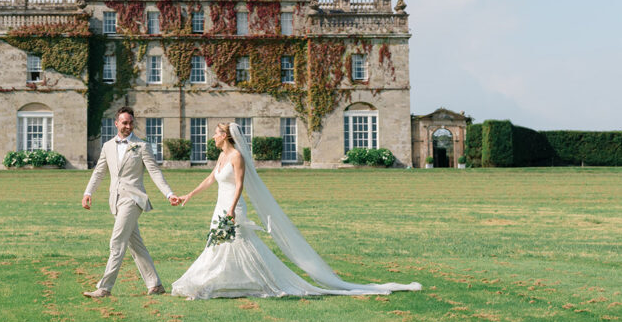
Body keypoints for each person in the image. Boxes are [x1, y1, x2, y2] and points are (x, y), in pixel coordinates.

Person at [171, 122, 422, 299]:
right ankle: (219, 283)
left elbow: (239, 184)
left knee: (236, 245)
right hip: (220, 207)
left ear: (225, 136)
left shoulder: (237, 156)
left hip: (232, 208)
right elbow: (211, 179)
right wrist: (189, 195)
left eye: (215, 134)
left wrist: (233, 209)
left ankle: (237, 283)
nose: (212, 138)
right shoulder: (222, 158)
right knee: (219, 246)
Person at [81, 106, 181, 298]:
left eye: (131, 123)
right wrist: (88, 192)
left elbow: (154, 172)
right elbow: (99, 172)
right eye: (124, 122)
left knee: (117, 241)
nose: (128, 126)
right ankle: (155, 285)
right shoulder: (108, 146)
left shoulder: (141, 146)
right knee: (135, 244)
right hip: (115, 201)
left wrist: (169, 194)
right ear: (116, 123)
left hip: (133, 199)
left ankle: (104, 287)